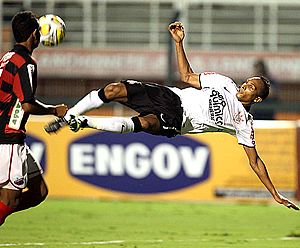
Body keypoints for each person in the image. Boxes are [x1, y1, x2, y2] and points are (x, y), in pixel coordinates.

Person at [45, 22, 299, 211]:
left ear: (256, 99)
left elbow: (255, 162)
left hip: (178, 121)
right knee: (113, 90)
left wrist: (274, 194)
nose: (244, 86)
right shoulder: (224, 82)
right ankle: (70, 117)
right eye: (247, 82)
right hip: (170, 96)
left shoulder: (244, 124)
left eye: (251, 88)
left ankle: (82, 122)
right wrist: (179, 42)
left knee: (145, 123)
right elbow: (187, 77)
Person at [0, 11, 68, 226]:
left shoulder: (7, 57)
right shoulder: (25, 63)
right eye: (38, 31)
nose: (40, 35)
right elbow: (27, 104)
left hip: (10, 137)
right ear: (33, 35)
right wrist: (53, 110)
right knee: (10, 200)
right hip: (8, 139)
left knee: (39, 191)